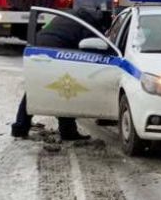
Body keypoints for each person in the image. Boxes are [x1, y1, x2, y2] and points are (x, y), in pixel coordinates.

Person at [11, 9, 104, 141]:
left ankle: (20, 127)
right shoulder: (88, 25)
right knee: (65, 90)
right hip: (57, 51)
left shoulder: (66, 17)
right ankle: (68, 131)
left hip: (37, 48)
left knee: (34, 89)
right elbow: (90, 48)